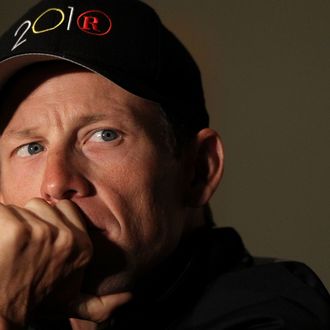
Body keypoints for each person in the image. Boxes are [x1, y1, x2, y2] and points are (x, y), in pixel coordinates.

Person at [0, 0, 329, 329]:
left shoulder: (273, 315)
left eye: (104, 135)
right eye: (31, 147)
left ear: (199, 170)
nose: (56, 182)